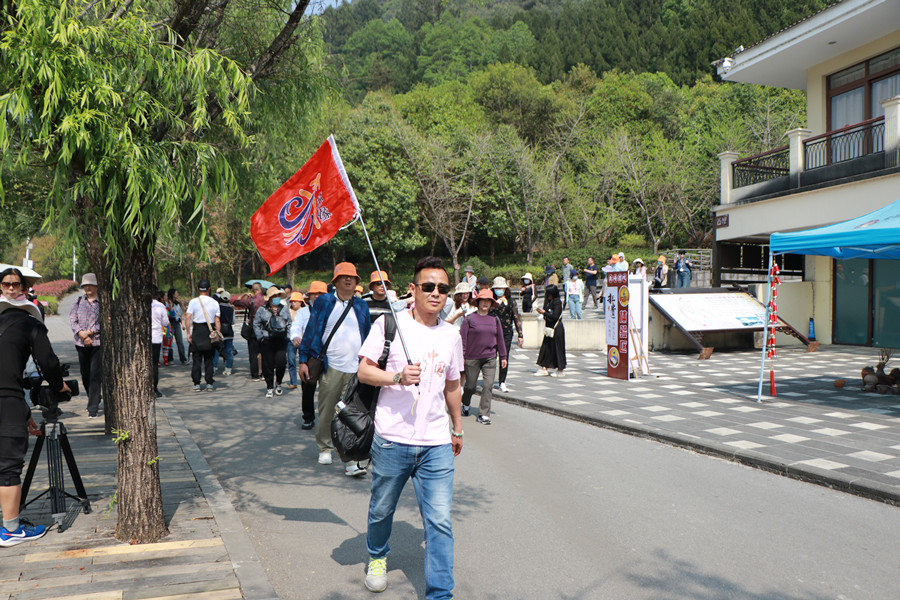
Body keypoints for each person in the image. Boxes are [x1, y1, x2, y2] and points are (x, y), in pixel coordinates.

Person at [357, 255, 463, 598]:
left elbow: (452, 384)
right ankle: (377, 556)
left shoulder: (451, 335)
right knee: (382, 509)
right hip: (391, 440)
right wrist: (397, 377)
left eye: (443, 289)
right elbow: (364, 371)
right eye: (429, 286)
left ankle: (440, 593)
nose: (436, 293)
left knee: (439, 521)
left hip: (435, 443)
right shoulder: (390, 324)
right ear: (413, 289)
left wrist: (457, 427)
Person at [0, 290, 70, 547]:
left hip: (11, 401)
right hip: (7, 400)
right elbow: (48, 363)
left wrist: (25, 412)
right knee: (8, 468)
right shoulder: (31, 325)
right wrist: (59, 384)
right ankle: (10, 530)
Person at [298, 263, 371, 475]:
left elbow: (366, 334)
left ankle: (350, 456)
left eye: (352, 278)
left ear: (357, 282)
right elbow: (312, 330)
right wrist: (304, 360)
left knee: (351, 413)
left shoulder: (361, 306)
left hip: (355, 368)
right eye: (344, 277)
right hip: (331, 366)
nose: (348, 280)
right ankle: (324, 447)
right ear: (335, 281)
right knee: (328, 409)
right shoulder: (324, 302)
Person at [460, 289, 506, 423]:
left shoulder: (495, 319)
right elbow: (463, 340)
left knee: (488, 385)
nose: (485, 303)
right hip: (472, 358)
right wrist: (462, 356)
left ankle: (484, 414)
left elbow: (500, 339)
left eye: (488, 301)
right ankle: (466, 403)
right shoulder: (469, 319)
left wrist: (503, 356)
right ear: (478, 302)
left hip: (490, 357)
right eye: (483, 301)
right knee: (470, 386)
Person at [290, 281, 327, 430]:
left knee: (329, 389)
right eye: (314, 294)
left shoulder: (332, 312)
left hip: (329, 355)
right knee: (308, 388)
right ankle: (308, 417)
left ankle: (330, 419)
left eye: (321, 294)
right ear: (309, 296)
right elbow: (296, 326)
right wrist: (295, 337)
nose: (317, 296)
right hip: (310, 355)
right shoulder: (303, 312)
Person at [69, 273, 102, 417]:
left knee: (95, 374)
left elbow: (105, 322)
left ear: (96, 286)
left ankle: (92, 408)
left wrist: (90, 332)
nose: (87, 287)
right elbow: (72, 319)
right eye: (85, 285)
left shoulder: (102, 302)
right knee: (85, 373)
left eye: (91, 284)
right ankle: (93, 397)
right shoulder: (78, 301)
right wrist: (81, 333)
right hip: (80, 343)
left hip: (97, 343)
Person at [253, 287, 291, 398]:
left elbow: (289, 323)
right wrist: (260, 337)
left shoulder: (284, 309)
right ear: (269, 298)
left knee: (281, 363)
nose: (276, 299)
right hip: (267, 340)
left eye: (278, 296)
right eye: (274, 297)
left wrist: (288, 336)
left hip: (281, 340)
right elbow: (256, 324)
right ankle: (269, 386)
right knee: (267, 365)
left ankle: (279, 383)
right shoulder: (262, 310)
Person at [184, 279, 221, 392]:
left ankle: (196, 383)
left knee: (197, 358)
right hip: (209, 331)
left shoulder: (193, 302)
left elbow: (188, 317)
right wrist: (217, 334)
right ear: (209, 289)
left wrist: (188, 333)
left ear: (198, 289)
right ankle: (209, 382)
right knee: (209, 358)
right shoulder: (214, 302)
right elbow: (217, 320)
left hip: (197, 330)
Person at [489, 277, 522, 394]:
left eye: (501, 288)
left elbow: (516, 317)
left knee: (504, 357)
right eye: (497, 288)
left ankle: (502, 381)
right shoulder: (490, 301)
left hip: (507, 333)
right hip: (492, 333)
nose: (499, 290)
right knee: (490, 357)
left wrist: (520, 334)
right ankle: (489, 380)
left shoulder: (510, 301)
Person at [232, 282, 265, 381]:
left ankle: (255, 374)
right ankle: (263, 372)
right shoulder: (266, 299)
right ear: (261, 289)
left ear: (252, 290)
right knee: (263, 351)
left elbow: (234, 302)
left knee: (253, 352)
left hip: (253, 327)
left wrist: (243, 296)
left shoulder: (250, 300)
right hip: (264, 327)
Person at [535, 284, 566, 377]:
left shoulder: (557, 302)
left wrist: (545, 312)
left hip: (556, 328)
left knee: (558, 348)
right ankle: (544, 367)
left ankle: (560, 369)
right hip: (549, 328)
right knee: (546, 347)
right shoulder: (549, 301)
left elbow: (555, 316)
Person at [151, 288, 169, 398]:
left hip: (141, 339)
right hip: (155, 338)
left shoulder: (137, 303)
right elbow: (165, 322)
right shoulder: (160, 306)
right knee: (153, 364)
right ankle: (154, 388)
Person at [285, 291, 305, 389]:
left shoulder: (305, 311)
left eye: (296, 301)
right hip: (290, 340)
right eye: (292, 301)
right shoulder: (287, 312)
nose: (293, 303)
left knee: (303, 361)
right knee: (291, 361)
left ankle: (305, 380)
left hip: (303, 340)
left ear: (301, 302)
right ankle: (293, 382)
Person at [214, 289, 235, 376]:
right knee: (229, 351)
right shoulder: (231, 309)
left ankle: (213, 368)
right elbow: (233, 321)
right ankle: (228, 369)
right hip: (229, 332)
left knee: (216, 350)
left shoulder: (217, 307)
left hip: (219, 331)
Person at [166, 288, 187, 364]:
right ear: (172, 294)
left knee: (180, 342)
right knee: (170, 341)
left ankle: (183, 359)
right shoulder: (168, 303)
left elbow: (180, 314)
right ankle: (170, 359)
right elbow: (170, 311)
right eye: (176, 293)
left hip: (177, 323)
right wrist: (170, 304)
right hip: (170, 323)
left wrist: (182, 324)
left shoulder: (178, 303)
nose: (177, 294)